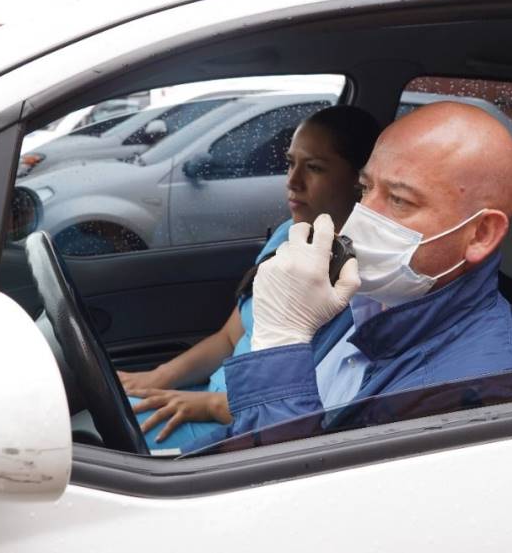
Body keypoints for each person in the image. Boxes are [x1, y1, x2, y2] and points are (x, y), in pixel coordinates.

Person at [215, 101, 512, 444]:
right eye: (366, 189)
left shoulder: (475, 392)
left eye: (399, 200)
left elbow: (292, 484)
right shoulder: (378, 294)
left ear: (480, 234)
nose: (357, 221)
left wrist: (280, 342)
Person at [118, 104, 380, 450]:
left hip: (246, 427)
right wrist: (157, 378)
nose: (292, 181)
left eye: (314, 168)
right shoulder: (290, 234)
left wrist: (210, 405)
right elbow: (230, 337)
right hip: (211, 399)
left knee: (104, 438)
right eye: (290, 163)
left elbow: (316, 398)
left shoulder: (358, 282)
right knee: (107, 407)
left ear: (359, 181)